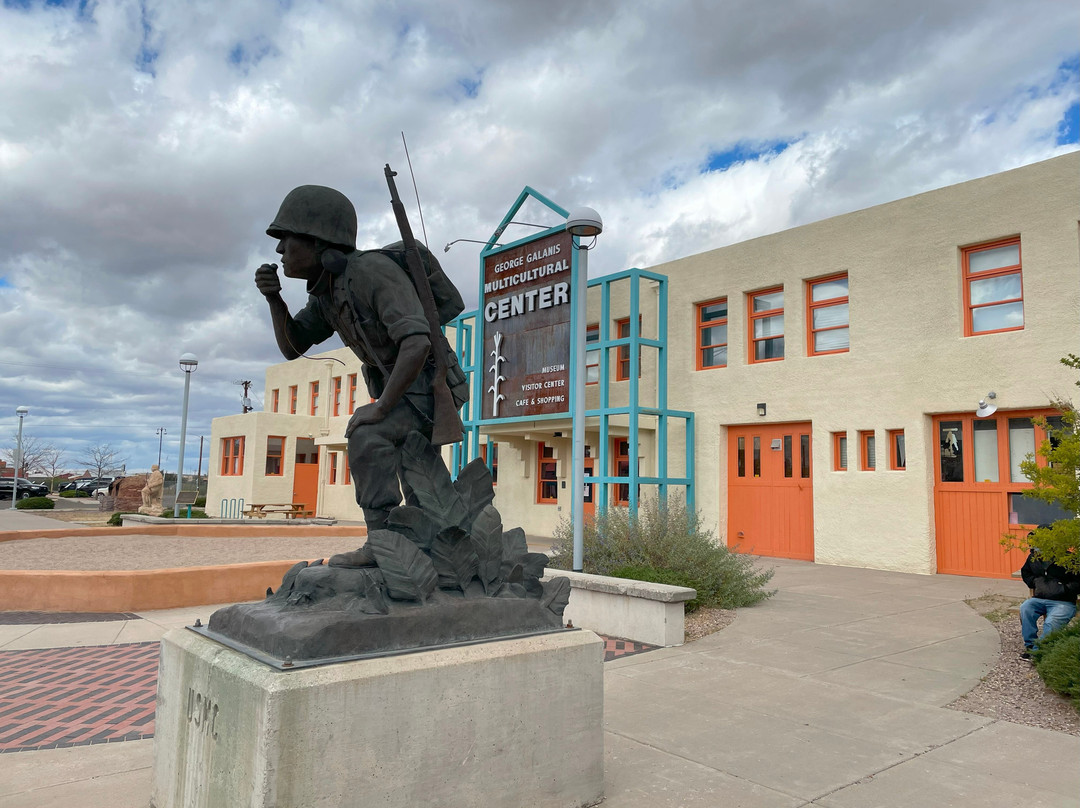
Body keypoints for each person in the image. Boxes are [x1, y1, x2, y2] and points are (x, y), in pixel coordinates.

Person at [254, 185, 468, 542]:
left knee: (369, 435)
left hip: (430, 387)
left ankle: (384, 544)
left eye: (287, 239)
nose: (279, 250)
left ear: (318, 241)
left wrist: (380, 408)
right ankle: (431, 544)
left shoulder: (370, 271)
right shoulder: (329, 294)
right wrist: (275, 299)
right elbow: (293, 347)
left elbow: (416, 343)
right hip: (403, 392)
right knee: (418, 471)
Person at [1019, 525, 1080, 658]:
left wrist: (1064, 589)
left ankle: (1038, 651)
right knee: (1025, 608)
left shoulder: (1069, 559)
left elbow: (1078, 581)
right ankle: (1030, 644)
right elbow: (1026, 573)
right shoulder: (1033, 558)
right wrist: (1035, 582)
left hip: (1063, 602)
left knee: (1051, 622)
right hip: (1039, 598)